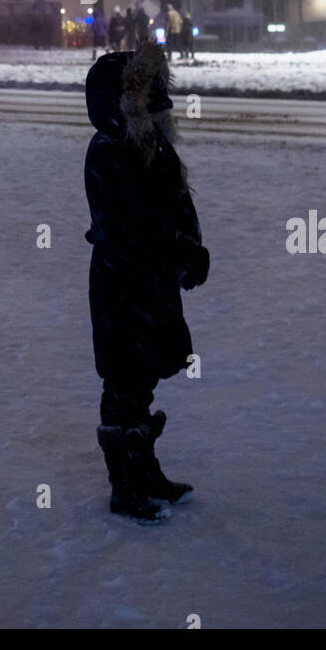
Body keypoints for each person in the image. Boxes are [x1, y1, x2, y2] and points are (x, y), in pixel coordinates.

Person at [84, 42, 210, 523]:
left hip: (152, 284)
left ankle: (146, 470)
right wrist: (177, 248)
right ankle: (126, 485)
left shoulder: (155, 148)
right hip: (121, 288)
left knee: (144, 380)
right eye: (148, 97)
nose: (162, 107)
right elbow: (128, 225)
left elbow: (179, 205)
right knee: (124, 384)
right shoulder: (108, 152)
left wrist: (192, 250)